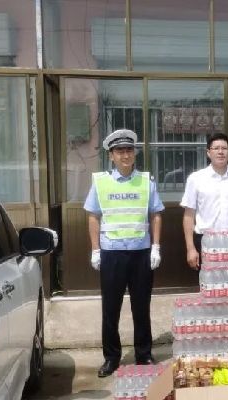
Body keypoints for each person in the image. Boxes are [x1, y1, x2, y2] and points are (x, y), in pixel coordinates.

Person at [83, 129, 164, 378]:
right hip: (112, 254)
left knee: (141, 307)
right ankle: (111, 358)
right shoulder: (101, 183)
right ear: (111, 156)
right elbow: (93, 217)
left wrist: (156, 247)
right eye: (120, 151)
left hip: (141, 253)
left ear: (134, 153)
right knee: (111, 309)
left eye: (129, 150)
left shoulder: (146, 182)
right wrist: (95, 250)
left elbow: (156, 214)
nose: (125, 155)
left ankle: (144, 354)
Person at [181, 133, 228, 270]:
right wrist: (190, 248)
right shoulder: (196, 179)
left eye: (224, 148)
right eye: (216, 148)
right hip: (207, 241)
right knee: (209, 282)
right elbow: (188, 215)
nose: (220, 152)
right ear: (208, 152)